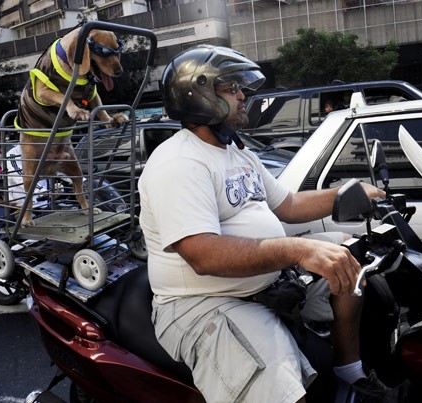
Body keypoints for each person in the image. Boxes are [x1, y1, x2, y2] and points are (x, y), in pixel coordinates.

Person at [139, 45, 390, 403]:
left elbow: (288, 204)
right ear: (200, 95)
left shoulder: (237, 152)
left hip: (259, 285)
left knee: (352, 260)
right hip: (206, 303)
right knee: (285, 393)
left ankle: (350, 374)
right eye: (231, 88)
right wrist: (299, 250)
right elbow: (203, 254)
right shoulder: (179, 162)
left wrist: (349, 193)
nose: (243, 96)